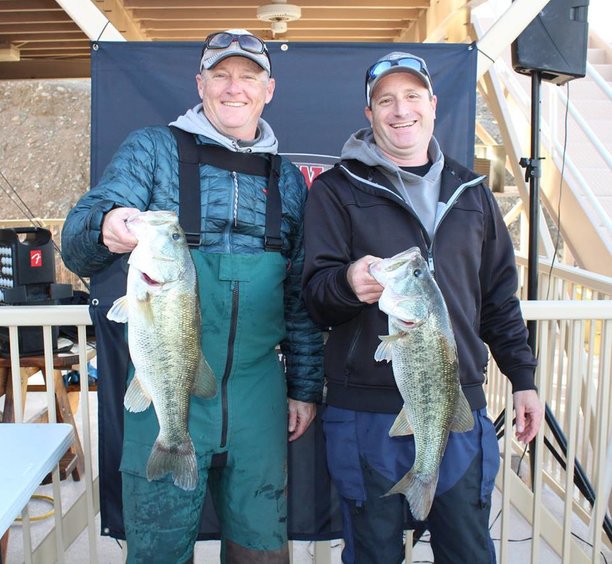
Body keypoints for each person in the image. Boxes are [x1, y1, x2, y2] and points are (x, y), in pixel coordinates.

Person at [61, 29, 323, 564]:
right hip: (163, 387)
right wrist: (106, 224)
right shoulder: (152, 150)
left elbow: (299, 298)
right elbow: (78, 243)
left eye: (248, 77)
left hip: (258, 394)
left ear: (268, 90)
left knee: (262, 550)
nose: (234, 88)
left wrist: (305, 385)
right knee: (157, 551)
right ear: (200, 83)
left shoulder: (290, 182)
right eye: (221, 75)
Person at [301, 51, 544, 564]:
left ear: (433, 105)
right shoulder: (335, 191)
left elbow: (498, 300)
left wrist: (523, 378)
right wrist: (349, 282)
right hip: (365, 415)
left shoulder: (472, 191)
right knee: (372, 554)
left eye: (412, 96)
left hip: (458, 409)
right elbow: (315, 298)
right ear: (369, 113)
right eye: (385, 99)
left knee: (469, 552)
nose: (400, 110)